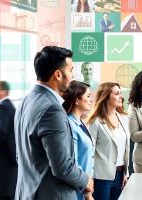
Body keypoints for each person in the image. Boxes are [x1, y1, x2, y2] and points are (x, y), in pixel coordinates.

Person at [14, 46, 93, 200]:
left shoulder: (25, 101)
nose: (73, 76)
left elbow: (21, 155)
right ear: (58, 74)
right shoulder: (52, 109)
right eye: (71, 70)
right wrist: (86, 181)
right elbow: (62, 167)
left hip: (27, 192)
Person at [87, 82, 129, 200]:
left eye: (120, 93)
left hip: (121, 175)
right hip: (102, 178)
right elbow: (90, 152)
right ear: (106, 97)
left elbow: (125, 148)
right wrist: (90, 178)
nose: (121, 96)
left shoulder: (123, 118)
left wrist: (126, 173)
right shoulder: (95, 122)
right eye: (117, 93)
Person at [62, 81, 95, 200]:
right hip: (78, 188)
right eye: (88, 96)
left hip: (86, 186)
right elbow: (74, 161)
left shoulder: (80, 122)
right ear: (77, 100)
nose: (91, 100)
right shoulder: (69, 124)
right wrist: (87, 192)